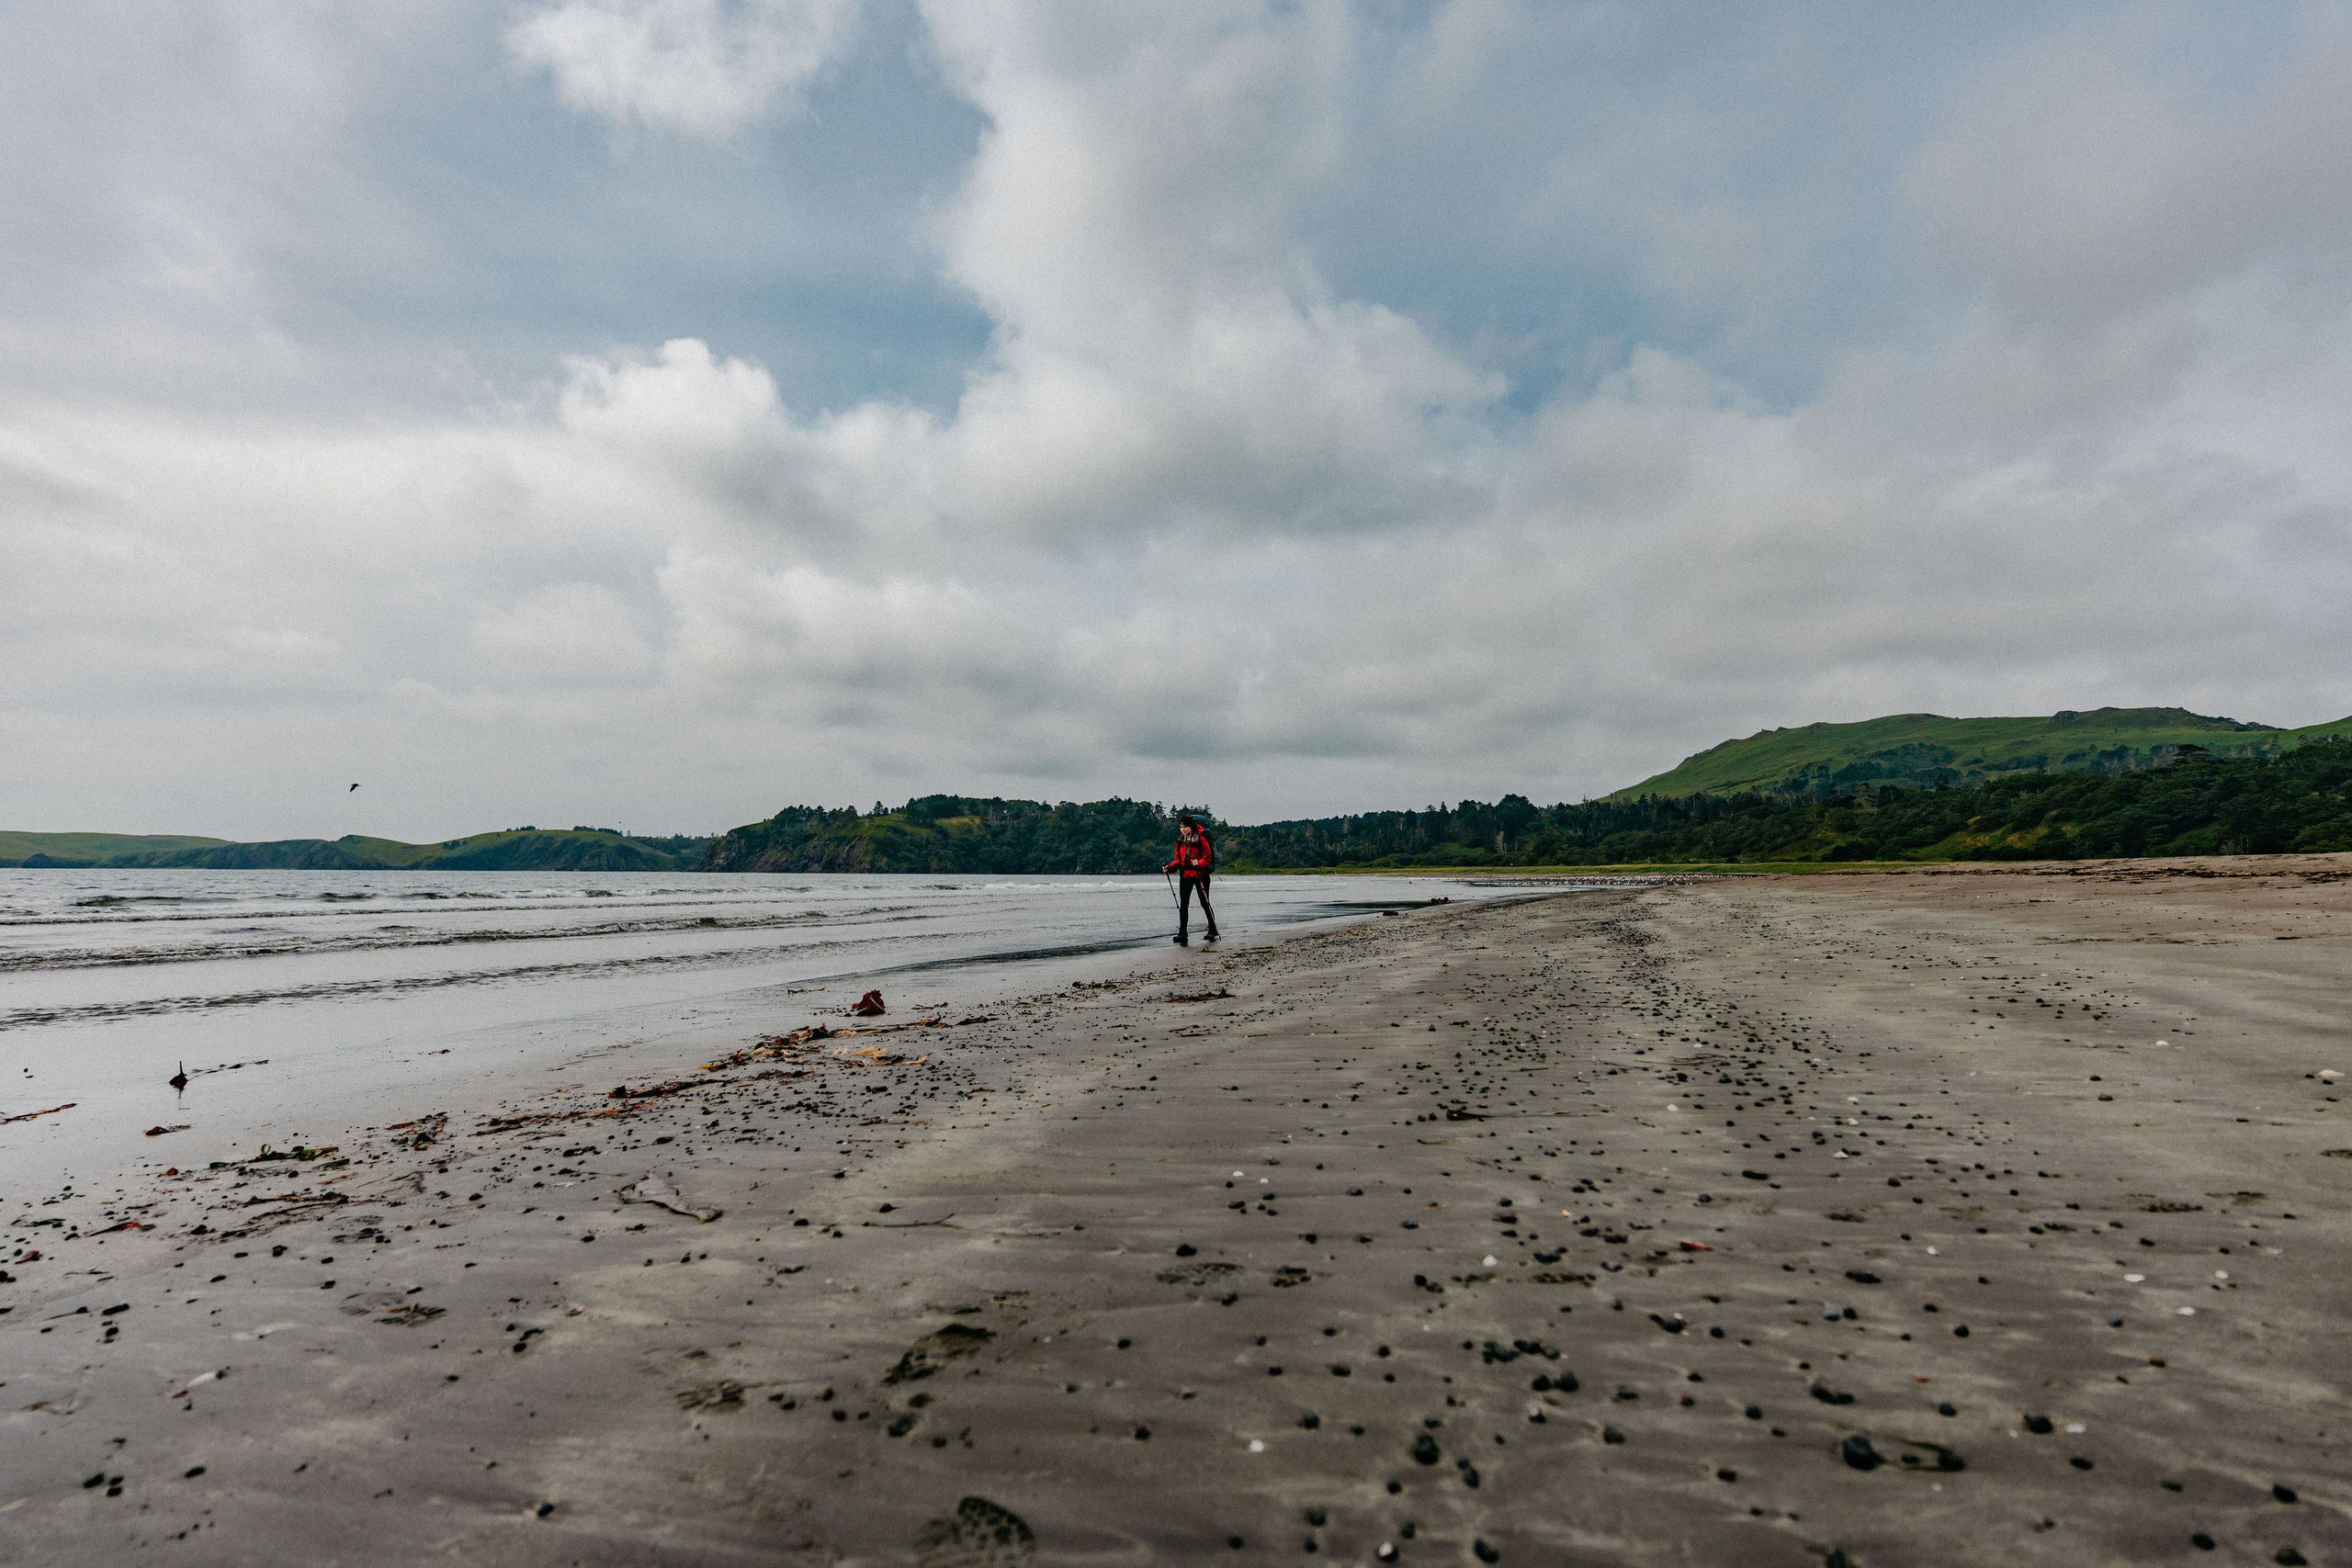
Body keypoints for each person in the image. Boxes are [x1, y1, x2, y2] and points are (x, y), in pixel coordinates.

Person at [1165, 813, 1218, 945]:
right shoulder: (1180, 842)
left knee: (1204, 903)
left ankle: (1213, 929)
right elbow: (1178, 860)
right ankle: (1182, 933)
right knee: (1184, 905)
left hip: (1201, 875)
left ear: (1191, 827)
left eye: (1185, 827)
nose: (1183, 830)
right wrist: (1169, 868)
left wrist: (1198, 864)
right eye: (1181, 827)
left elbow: (1208, 858)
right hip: (1185, 876)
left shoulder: (1201, 840)